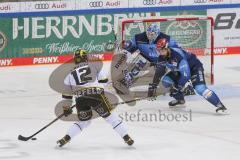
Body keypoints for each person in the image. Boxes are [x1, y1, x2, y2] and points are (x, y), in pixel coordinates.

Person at [57, 49, 134, 147]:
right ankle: (126, 137)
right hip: (96, 96)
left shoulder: (69, 74)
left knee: (84, 122)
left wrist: (66, 107)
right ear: (86, 58)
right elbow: (104, 81)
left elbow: (66, 94)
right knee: (111, 118)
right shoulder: (94, 67)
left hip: (80, 99)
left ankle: (67, 137)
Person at [148, 38, 228, 113]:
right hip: (180, 70)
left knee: (200, 89)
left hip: (194, 68)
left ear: (167, 48)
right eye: (158, 50)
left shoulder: (177, 56)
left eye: (161, 50)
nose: (160, 52)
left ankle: (221, 106)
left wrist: (178, 86)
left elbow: (186, 75)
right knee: (166, 81)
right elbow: (159, 72)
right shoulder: (161, 57)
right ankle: (180, 100)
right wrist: (154, 85)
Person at [114, 23, 181, 91]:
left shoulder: (166, 38)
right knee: (139, 62)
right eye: (148, 33)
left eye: (152, 34)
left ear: (157, 33)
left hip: (162, 60)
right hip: (145, 59)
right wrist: (125, 47)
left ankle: (177, 83)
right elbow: (130, 48)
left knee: (173, 66)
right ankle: (126, 81)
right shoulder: (139, 37)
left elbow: (177, 50)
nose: (149, 36)